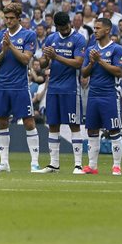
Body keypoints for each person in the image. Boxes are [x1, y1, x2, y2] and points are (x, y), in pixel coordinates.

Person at [0, 2, 41, 172]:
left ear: (19, 18)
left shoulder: (28, 35)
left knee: (28, 121)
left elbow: (26, 60)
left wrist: (10, 46)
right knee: (1, 120)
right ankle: (4, 163)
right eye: (6, 18)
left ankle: (34, 162)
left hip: (20, 86)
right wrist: (4, 50)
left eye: (12, 18)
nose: (8, 21)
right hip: (2, 85)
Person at [39, 11, 86, 173]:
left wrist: (56, 56)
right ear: (56, 27)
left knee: (74, 124)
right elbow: (43, 64)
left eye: (66, 27)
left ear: (70, 23)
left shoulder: (79, 39)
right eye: (61, 28)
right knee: (53, 124)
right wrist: (45, 58)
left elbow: (78, 63)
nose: (64, 30)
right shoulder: (51, 38)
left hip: (71, 89)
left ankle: (78, 164)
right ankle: (54, 164)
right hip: (53, 88)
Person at [81, 17, 122, 176]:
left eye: (98, 28)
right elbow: (84, 73)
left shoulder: (116, 49)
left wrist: (99, 61)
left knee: (114, 130)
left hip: (110, 95)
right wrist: (92, 63)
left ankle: (116, 166)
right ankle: (92, 166)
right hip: (93, 95)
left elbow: (119, 71)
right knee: (92, 130)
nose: (95, 31)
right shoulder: (91, 49)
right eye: (94, 28)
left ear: (107, 30)